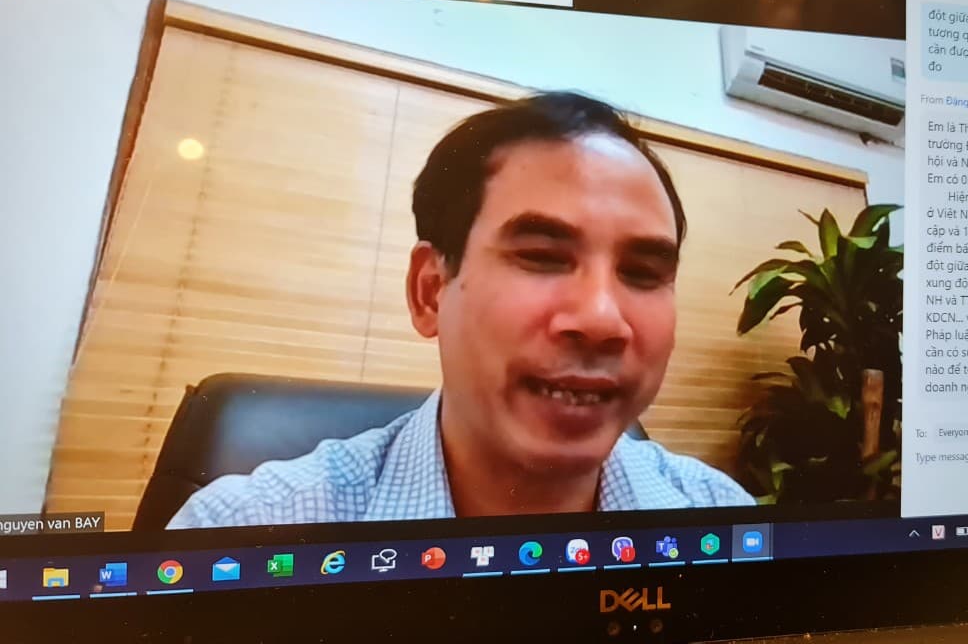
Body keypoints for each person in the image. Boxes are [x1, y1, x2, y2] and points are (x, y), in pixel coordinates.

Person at [168, 92, 756, 528]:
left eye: (643, 273)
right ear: (430, 291)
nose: (603, 320)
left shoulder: (722, 521)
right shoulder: (241, 534)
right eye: (542, 257)